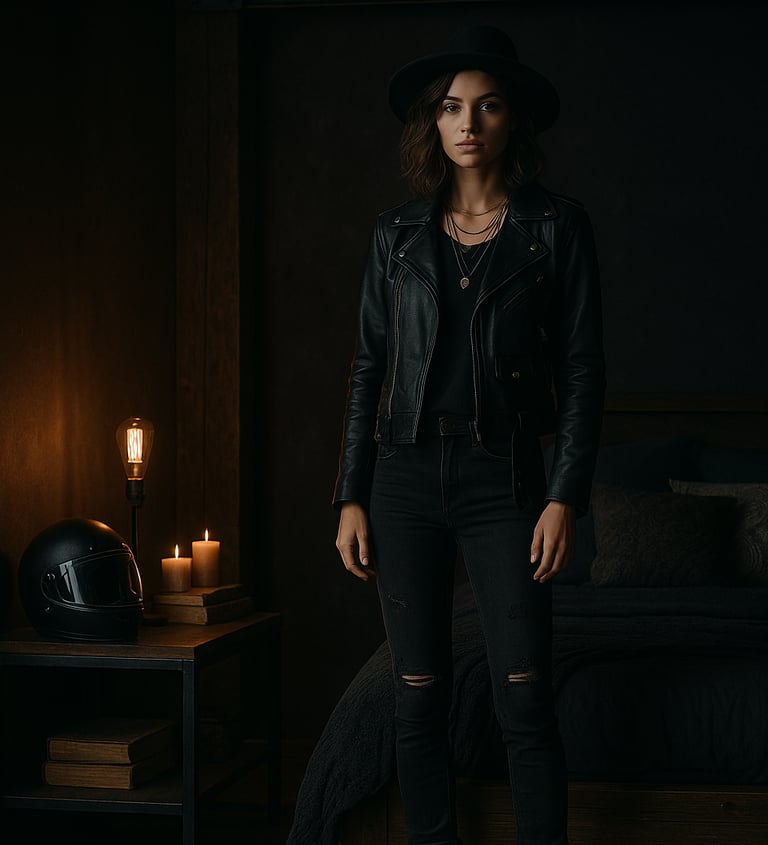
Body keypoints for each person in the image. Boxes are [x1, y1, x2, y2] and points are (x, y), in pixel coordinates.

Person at [333, 24, 605, 845]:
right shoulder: (397, 237)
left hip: (507, 480)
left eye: (486, 107)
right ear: (434, 122)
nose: (468, 123)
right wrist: (351, 492)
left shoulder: (556, 228)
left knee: (524, 694)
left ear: (510, 120)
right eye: (452, 107)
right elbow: (369, 367)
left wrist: (564, 495)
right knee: (418, 693)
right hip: (405, 478)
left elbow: (585, 372)